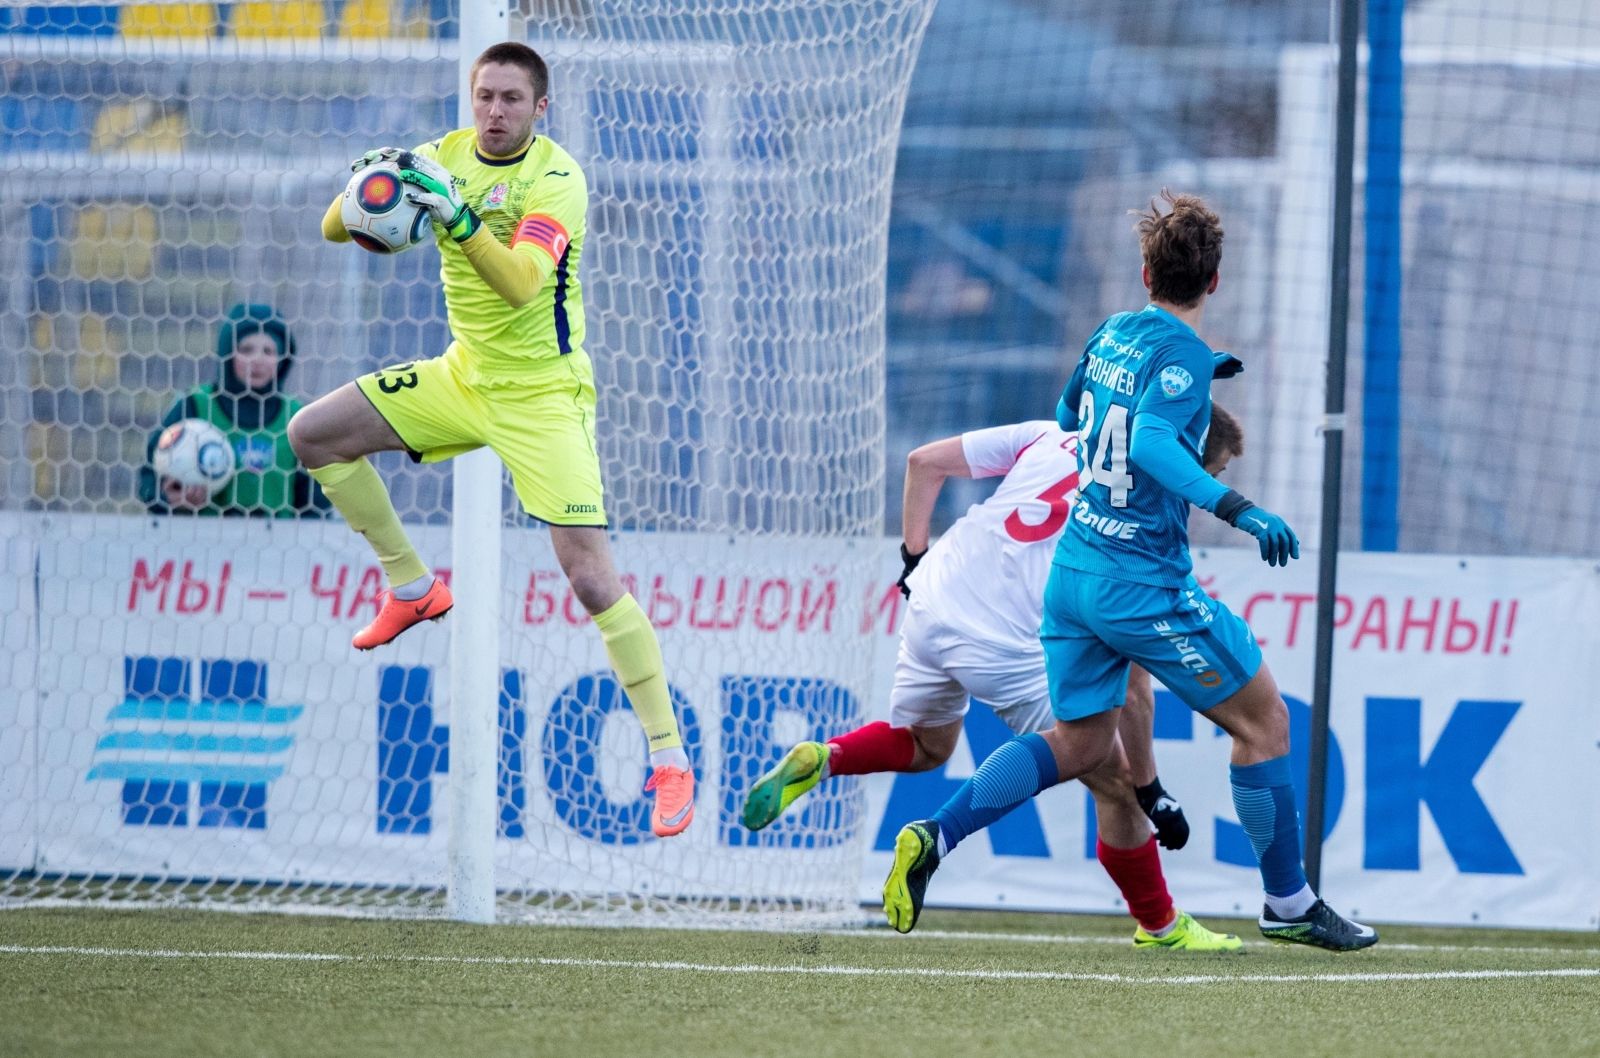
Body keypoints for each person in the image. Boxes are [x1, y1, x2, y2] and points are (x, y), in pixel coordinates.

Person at [880, 191, 1379, 952]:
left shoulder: (1113, 332)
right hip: (1138, 581)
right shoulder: (1182, 358)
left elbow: (1071, 416)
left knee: (1082, 745)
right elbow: (1146, 441)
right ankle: (1289, 902)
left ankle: (936, 835)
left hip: (1073, 573)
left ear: (1146, 273)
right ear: (1215, 282)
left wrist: (1182, 379)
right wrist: (1239, 508)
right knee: (1265, 722)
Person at [288, 42, 694, 838]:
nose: (495, 112)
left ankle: (669, 758)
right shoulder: (441, 157)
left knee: (591, 580)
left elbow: (519, 284)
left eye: (511, 99)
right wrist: (373, 181)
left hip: (544, 396)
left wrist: (458, 215)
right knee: (314, 435)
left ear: (540, 107)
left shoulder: (556, 178)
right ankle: (412, 587)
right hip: (463, 377)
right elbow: (336, 227)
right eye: (484, 97)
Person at [743, 402, 1245, 949]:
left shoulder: (1054, 433)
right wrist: (1151, 789)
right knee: (1113, 777)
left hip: (934, 595)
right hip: (1004, 638)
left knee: (925, 745)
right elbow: (1135, 688)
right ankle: (1158, 924)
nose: (1207, 493)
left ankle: (826, 757)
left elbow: (923, 463)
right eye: (1211, 474)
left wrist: (913, 559)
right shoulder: (1143, 517)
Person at [141, 303, 328, 518]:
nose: (257, 360)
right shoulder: (196, 405)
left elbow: (316, 499)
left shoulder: (296, 417)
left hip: (276, 538)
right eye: (246, 350)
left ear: (283, 358)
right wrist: (167, 500)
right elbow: (150, 474)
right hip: (205, 536)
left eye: (268, 351)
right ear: (227, 353)